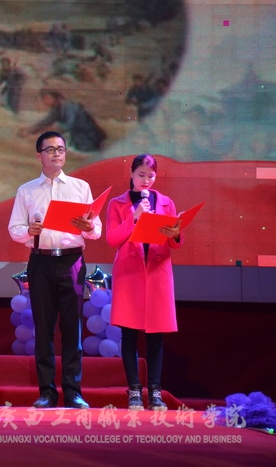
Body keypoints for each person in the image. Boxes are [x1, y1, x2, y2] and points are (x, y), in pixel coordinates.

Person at [8, 131, 102, 409]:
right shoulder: (27, 190)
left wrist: (89, 227)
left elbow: (96, 230)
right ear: (39, 156)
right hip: (41, 261)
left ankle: (73, 391)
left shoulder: (80, 187)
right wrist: (29, 230)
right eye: (50, 150)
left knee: (72, 328)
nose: (57, 154)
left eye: (61, 149)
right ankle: (47, 392)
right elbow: (14, 229)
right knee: (44, 327)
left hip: (72, 261)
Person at [105, 154, 181, 411]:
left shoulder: (166, 202)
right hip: (130, 274)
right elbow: (113, 239)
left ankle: (155, 391)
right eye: (141, 175)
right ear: (131, 174)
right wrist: (134, 216)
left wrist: (176, 234)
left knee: (156, 335)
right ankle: (135, 390)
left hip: (157, 272)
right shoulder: (118, 203)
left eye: (150, 176)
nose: (146, 180)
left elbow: (174, 241)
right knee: (129, 333)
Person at [19, 89, 106, 152]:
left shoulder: (70, 106)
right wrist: (30, 130)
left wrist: (42, 135)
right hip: (77, 139)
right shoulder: (58, 109)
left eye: (46, 98)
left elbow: (68, 125)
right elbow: (46, 121)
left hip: (88, 138)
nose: (44, 101)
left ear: (56, 98)